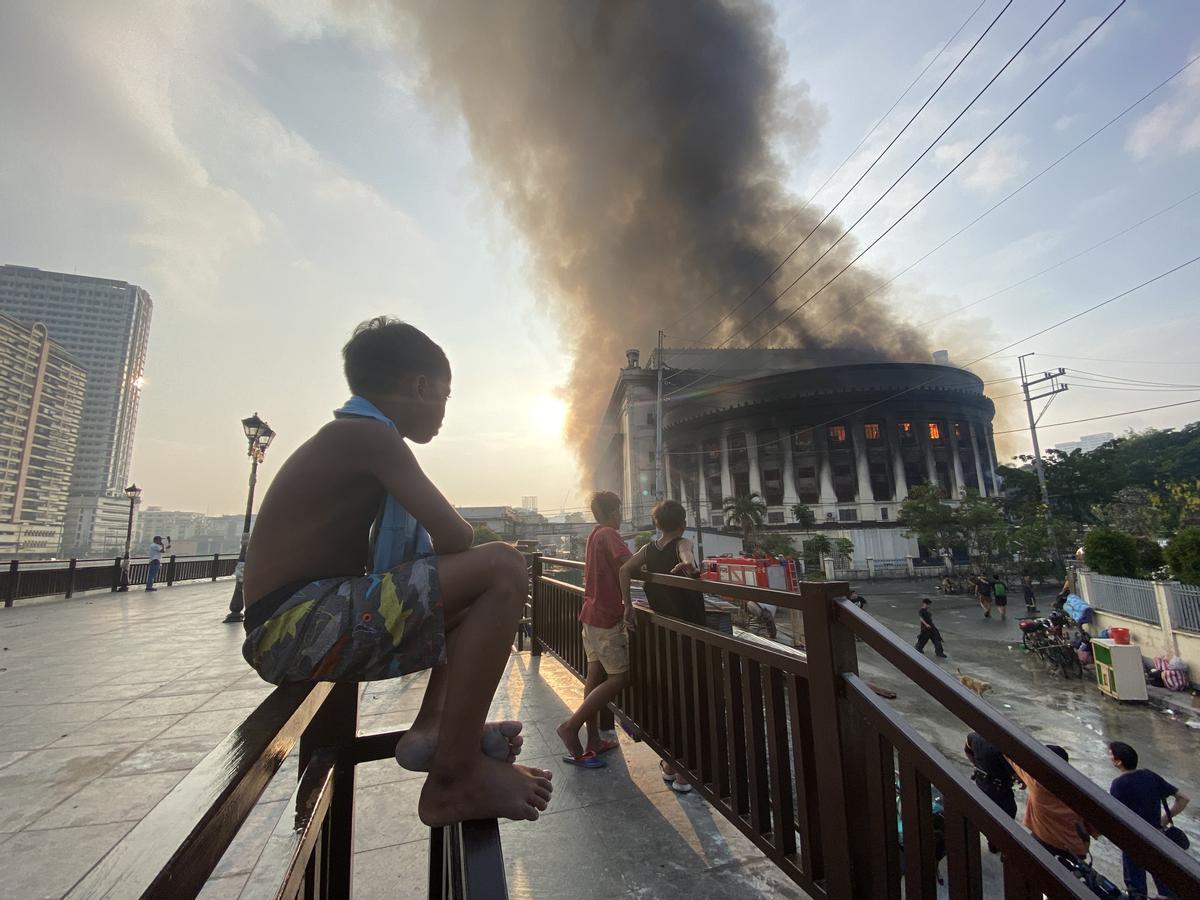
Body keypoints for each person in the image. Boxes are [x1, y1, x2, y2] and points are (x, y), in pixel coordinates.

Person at [241, 317, 552, 827]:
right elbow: (458, 539)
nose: (444, 412)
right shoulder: (371, 438)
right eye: (445, 396)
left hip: (294, 622)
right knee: (503, 567)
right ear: (421, 385)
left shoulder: (352, 434)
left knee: (469, 595)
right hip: (292, 626)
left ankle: (434, 732)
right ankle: (455, 779)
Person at [620, 498, 703, 792]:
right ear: (682, 524)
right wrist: (689, 567)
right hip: (690, 636)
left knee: (668, 697)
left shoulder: (647, 550)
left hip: (660, 635)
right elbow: (687, 556)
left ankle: (669, 763)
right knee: (691, 700)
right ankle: (684, 772)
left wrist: (628, 606)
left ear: (656, 524)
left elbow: (624, 570)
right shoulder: (683, 542)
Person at [555, 491, 633, 769]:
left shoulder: (594, 534)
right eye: (620, 511)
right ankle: (571, 726)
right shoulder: (610, 534)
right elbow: (629, 564)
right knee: (619, 678)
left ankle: (594, 741)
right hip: (606, 618)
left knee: (595, 675)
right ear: (615, 511)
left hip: (590, 615)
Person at [1108, 741, 1190, 898]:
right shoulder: (1150, 775)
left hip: (1134, 841)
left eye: (1110, 754)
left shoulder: (1118, 785)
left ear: (1118, 762)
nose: (1109, 756)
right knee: (1167, 887)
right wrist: (1164, 820)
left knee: (1136, 889)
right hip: (1158, 837)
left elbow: (1115, 815)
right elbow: (1184, 799)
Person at [1006, 745, 1098, 861]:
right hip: (1071, 845)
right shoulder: (1080, 791)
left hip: (1042, 836)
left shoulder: (1036, 782)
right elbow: (1094, 824)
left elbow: (1012, 758)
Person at [965, 732, 1016, 852]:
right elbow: (1015, 772)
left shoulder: (974, 737)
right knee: (1007, 814)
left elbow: (967, 749)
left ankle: (992, 841)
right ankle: (997, 844)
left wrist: (976, 765)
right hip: (999, 788)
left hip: (982, 782)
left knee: (988, 810)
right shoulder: (1000, 748)